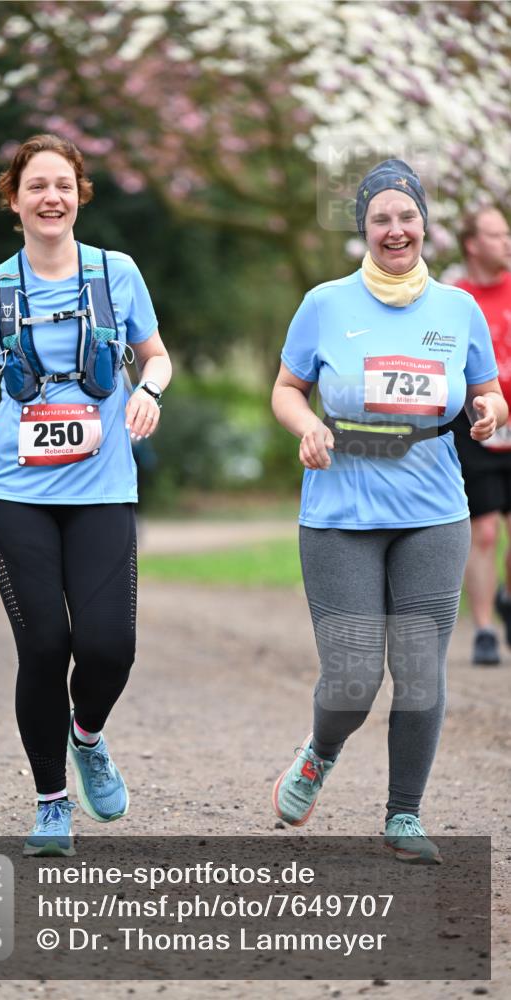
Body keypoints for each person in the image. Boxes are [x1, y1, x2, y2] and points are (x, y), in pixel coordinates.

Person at [0, 134, 171, 855]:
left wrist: (148, 390)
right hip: (12, 488)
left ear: (79, 194)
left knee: (109, 647)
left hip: (101, 487)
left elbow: (155, 356)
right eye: (36, 186)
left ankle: (86, 734)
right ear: (15, 199)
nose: (51, 197)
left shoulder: (116, 273)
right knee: (45, 644)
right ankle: (51, 803)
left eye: (63, 184)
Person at [271, 159, 507, 864]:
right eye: (381, 218)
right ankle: (319, 751)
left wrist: (490, 408)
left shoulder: (457, 309)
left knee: (420, 668)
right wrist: (305, 426)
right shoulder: (323, 304)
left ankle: (402, 814)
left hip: (432, 510)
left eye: (407, 217)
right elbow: (286, 389)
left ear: (425, 226)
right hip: (339, 511)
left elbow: (487, 390)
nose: (395, 229)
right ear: (364, 230)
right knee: (349, 681)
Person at [451, 207, 511, 666]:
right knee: (485, 530)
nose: (506, 241)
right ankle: (486, 631)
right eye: (496, 234)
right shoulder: (455, 299)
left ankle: (505, 596)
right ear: (472, 243)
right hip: (475, 425)